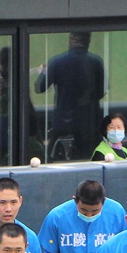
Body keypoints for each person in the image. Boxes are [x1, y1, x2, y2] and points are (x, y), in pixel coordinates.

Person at [33, 32, 106, 160]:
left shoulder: (57, 61)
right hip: (90, 124)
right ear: (88, 40)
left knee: (55, 161)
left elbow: (39, 88)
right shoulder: (96, 62)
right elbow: (101, 92)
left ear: (71, 40)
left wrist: (42, 72)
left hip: (63, 124)